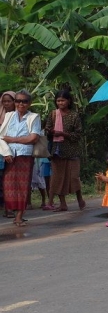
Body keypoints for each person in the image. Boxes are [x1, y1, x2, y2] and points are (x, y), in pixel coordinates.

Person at [0, 90, 42, 227]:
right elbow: (2, 136)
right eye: (18, 101)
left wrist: (13, 139)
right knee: (8, 185)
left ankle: (19, 216)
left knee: (23, 186)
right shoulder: (9, 116)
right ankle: (12, 211)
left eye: (24, 101)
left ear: (29, 103)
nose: (21, 104)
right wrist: (6, 151)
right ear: (15, 102)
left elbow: (33, 137)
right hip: (9, 155)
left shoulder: (33, 117)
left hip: (25, 155)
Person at [41, 90, 85, 212]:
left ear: (69, 101)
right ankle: (63, 204)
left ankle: (80, 198)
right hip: (56, 151)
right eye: (58, 101)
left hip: (72, 151)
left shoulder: (74, 116)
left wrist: (63, 134)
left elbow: (78, 134)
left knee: (74, 177)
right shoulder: (53, 114)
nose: (60, 103)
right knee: (58, 178)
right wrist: (51, 131)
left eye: (63, 100)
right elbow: (47, 129)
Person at [0, 91, 16, 216]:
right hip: (3, 151)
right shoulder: (1, 115)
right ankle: (7, 208)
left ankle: (11, 206)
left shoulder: (19, 115)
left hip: (16, 149)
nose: (6, 104)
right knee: (4, 180)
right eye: (4, 101)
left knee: (12, 180)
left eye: (9, 101)